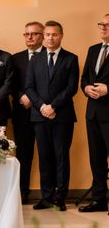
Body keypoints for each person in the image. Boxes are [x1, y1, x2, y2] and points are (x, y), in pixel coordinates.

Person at [25, 20, 78, 211]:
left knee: (61, 156)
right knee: (45, 157)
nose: (50, 38)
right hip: (40, 116)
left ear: (61, 36)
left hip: (62, 116)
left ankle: (60, 197)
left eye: (54, 35)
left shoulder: (71, 59)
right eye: (47, 34)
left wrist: (53, 106)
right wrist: (42, 106)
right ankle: (46, 197)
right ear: (43, 36)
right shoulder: (35, 59)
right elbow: (29, 87)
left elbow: (71, 88)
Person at [78, 15, 109, 213]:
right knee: (96, 159)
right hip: (93, 114)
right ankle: (99, 200)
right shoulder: (93, 49)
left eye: (108, 25)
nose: (103, 28)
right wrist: (86, 88)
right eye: (101, 25)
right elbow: (84, 79)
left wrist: (108, 89)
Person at [11, 21, 44, 203]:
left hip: (44, 113)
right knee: (23, 155)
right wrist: (21, 96)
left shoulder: (50, 56)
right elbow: (11, 84)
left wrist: (36, 100)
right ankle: (22, 191)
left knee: (47, 154)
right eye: (26, 34)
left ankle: (49, 193)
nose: (29, 37)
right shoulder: (16, 58)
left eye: (34, 33)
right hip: (22, 112)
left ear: (42, 35)